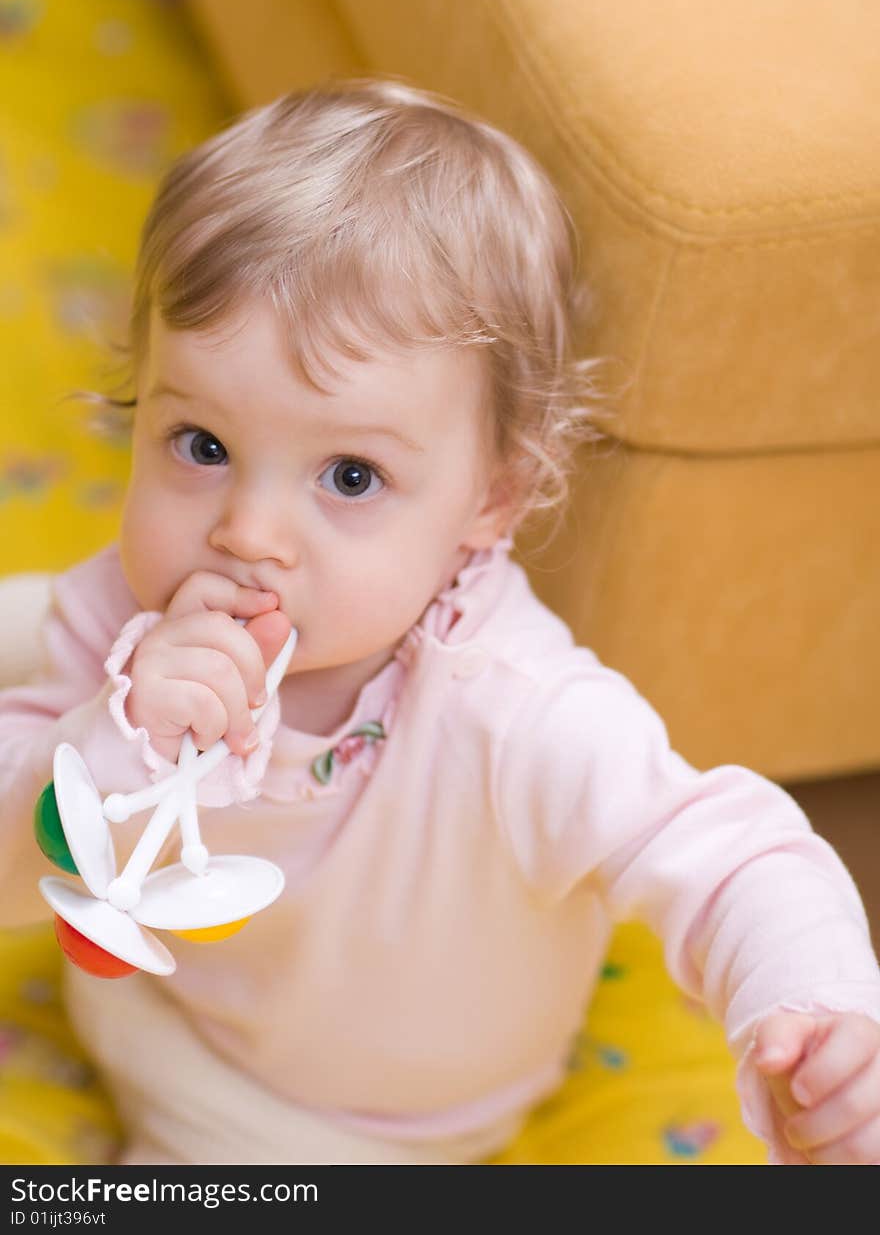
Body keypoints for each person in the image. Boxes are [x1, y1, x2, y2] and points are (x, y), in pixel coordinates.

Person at [1, 77, 879, 1167]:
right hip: (145, 989)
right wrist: (106, 744)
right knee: (61, 661)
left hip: (322, 1128)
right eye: (202, 445)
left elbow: (730, 857)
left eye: (352, 474)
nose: (249, 532)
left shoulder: (514, 713)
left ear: (490, 502)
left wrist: (817, 1013)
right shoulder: (139, 620)